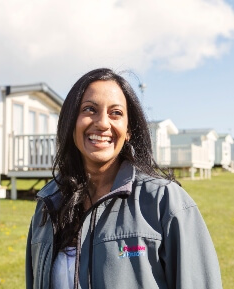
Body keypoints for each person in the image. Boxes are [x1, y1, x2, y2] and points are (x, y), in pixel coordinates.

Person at [26, 68, 223, 289]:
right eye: (89, 109)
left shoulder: (164, 202)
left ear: (128, 130)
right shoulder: (48, 206)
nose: (102, 123)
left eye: (116, 113)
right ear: (71, 122)